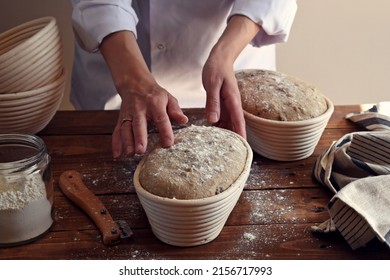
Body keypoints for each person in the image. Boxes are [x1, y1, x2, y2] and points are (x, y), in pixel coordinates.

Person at [70, 0, 297, 158]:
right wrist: (132, 82)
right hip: (119, 65)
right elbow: (100, 4)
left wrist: (225, 55)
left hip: (233, 57)